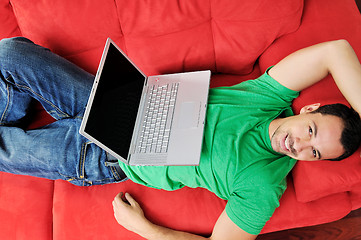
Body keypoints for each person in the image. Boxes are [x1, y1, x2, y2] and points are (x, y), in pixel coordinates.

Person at [0, 37, 360, 240]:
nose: (298, 146)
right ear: (308, 109)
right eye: (309, 132)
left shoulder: (263, 186)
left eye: (313, 154)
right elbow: (336, 51)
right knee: (10, 53)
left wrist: (143, 228)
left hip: (106, 155)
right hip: (119, 99)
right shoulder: (268, 98)